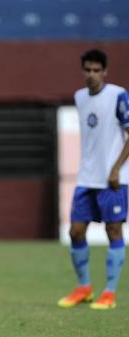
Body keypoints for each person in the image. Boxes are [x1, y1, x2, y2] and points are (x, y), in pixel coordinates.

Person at [58, 48, 129, 310]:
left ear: (105, 72)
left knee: (113, 231)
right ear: (82, 71)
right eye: (87, 69)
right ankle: (84, 287)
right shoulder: (79, 97)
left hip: (114, 179)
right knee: (75, 231)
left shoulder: (118, 95)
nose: (91, 74)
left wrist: (115, 168)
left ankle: (109, 292)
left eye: (96, 70)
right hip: (86, 178)